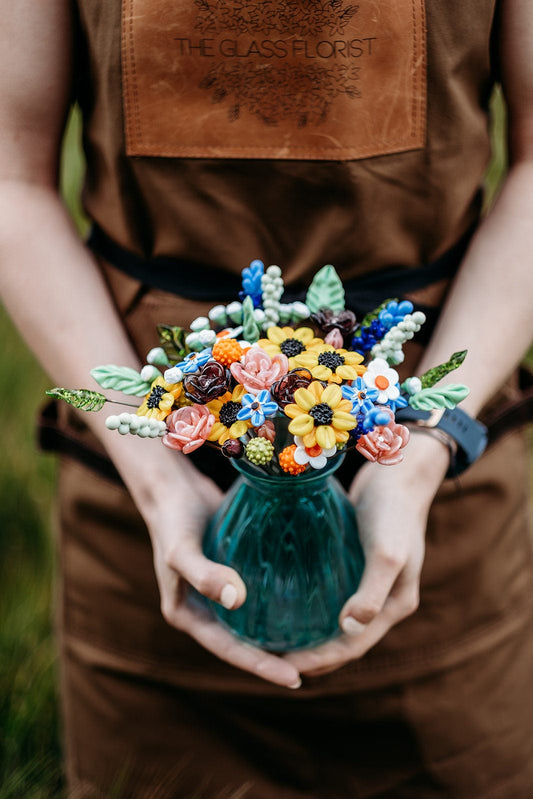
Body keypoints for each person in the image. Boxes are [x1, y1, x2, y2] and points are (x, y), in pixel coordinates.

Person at [1, 0, 533, 796]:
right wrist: (157, 473)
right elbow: (11, 177)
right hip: (144, 524)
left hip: (436, 518)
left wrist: (422, 450)